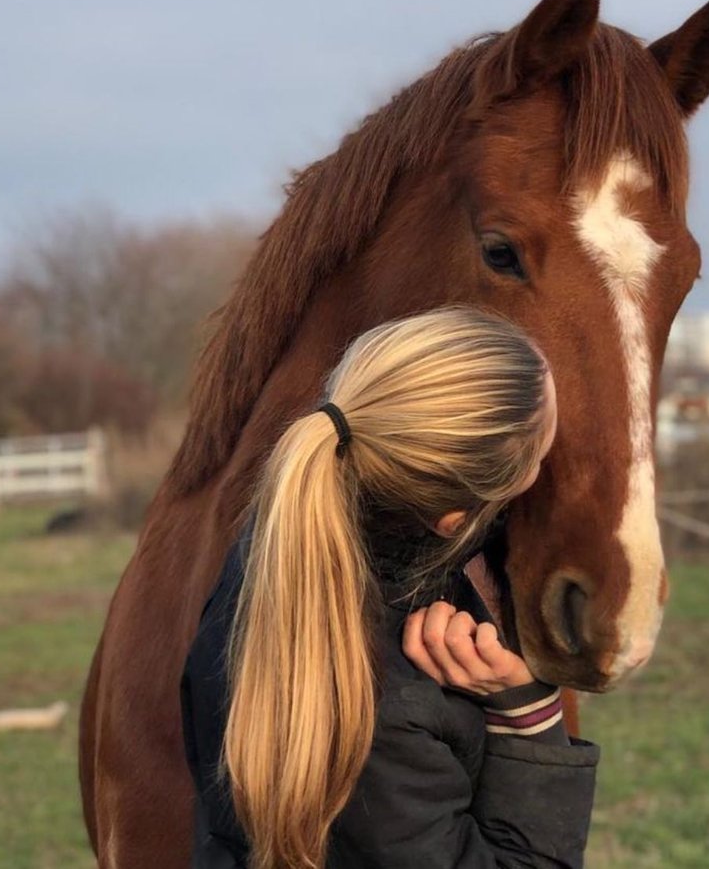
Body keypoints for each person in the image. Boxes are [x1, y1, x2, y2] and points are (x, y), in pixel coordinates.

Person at [180, 306, 598, 869]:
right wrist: (528, 718)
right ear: (453, 517)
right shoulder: (385, 705)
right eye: (538, 459)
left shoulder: (275, 559)